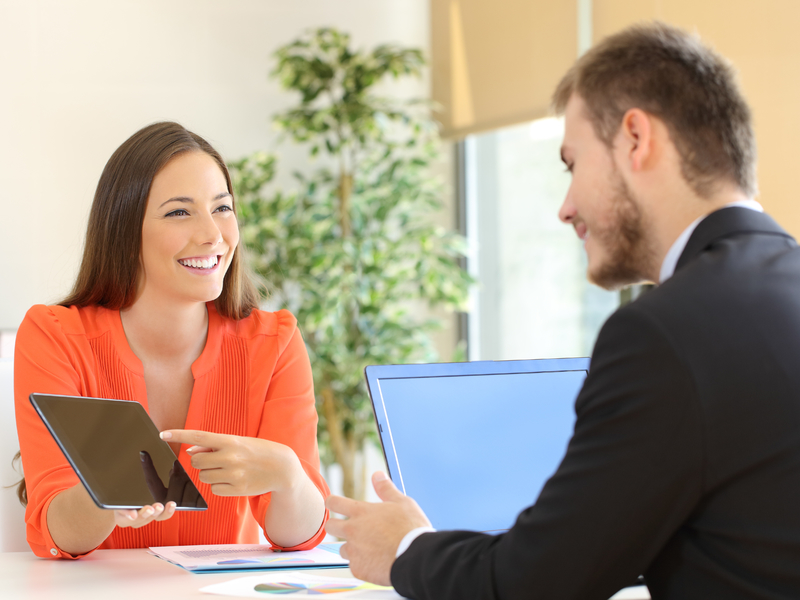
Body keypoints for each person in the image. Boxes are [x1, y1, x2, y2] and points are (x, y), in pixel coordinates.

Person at [325, 22, 800, 600]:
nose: (564, 207)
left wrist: (403, 548)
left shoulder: (663, 332)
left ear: (635, 138)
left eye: (571, 164)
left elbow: (534, 582)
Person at [14, 122, 329, 559]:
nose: (213, 234)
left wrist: (289, 476)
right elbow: (56, 533)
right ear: (125, 232)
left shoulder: (273, 341)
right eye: (179, 212)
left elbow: (297, 537)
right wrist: (104, 500)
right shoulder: (56, 336)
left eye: (222, 208)